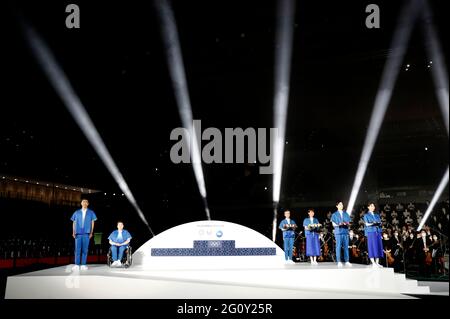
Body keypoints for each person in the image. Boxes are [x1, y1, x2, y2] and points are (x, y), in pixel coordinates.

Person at [70, 199, 97, 271]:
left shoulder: (91, 212)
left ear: (88, 204)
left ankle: (83, 264)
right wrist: (73, 232)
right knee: (77, 249)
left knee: (85, 249)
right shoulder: (77, 212)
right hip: (78, 232)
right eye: (83, 202)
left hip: (86, 232)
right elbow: (74, 222)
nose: (84, 203)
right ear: (81, 203)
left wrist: (91, 232)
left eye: (86, 202)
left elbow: (92, 223)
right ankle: (76, 265)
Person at [331, 201, 352, 267]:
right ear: (337, 206)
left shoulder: (346, 213)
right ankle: (339, 261)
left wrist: (347, 224)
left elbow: (349, 222)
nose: (341, 205)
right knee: (338, 247)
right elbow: (333, 223)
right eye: (340, 204)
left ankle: (347, 261)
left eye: (342, 204)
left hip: (345, 231)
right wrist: (338, 224)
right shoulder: (334, 214)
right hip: (338, 232)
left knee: (346, 247)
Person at [363, 202, 384, 268]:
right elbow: (366, 224)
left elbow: (380, 224)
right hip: (371, 232)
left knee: (378, 246)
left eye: (373, 206)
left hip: (377, 232)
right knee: (372, 246)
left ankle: (377, 262)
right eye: (371, 206)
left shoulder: (377, 215)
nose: (373, 207)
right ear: (368, 207)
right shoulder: (366, 215)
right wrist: (373, 223)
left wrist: (380, 233)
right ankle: (373, 262)